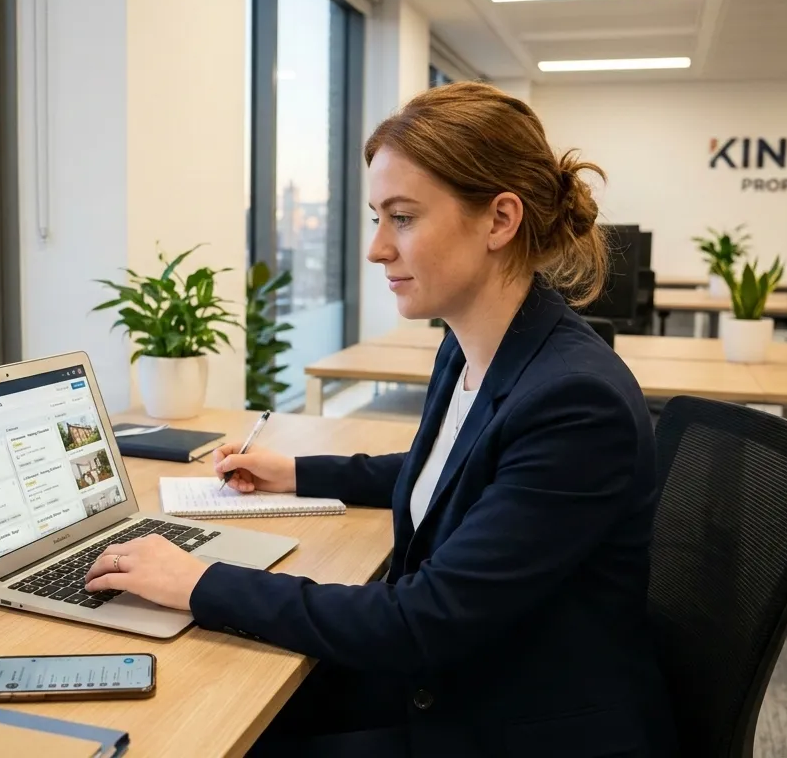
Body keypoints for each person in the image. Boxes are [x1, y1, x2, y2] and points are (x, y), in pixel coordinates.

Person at [85, 81, 676, 757]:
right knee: (200, 698)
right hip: (467, 673)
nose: (376, 249)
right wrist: (297, 472)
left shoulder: (576, 403)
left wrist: (200, 581)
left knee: (223, 728)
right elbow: (461, 473)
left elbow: (421, 622)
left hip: (517, 723)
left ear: (500, 220)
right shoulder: (474, 342)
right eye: (377, 217)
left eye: (401, 217)